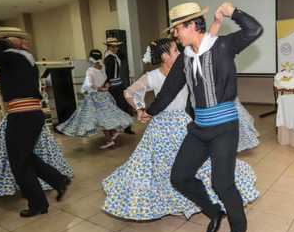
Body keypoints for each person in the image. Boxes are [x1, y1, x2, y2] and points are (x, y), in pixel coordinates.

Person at [142, 1, 262, 232]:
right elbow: (167, 92)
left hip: (225, 127)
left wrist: (233, 13)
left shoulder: (223, 46)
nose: (175, 34)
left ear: (190, 26)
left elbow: (255, 30)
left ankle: (238, 226)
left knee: (222, 182)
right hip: (199, 128)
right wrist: (149, 112)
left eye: (177, 29)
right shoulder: (184, 59)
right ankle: (214, 211)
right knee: (179, 177)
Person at [103, 38, 259, 222]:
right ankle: (173, 202)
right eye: (175, 51)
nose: (179, 54)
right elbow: (129, 92)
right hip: (160, 128)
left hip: (183, 124)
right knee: (161, 169)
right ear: (163, 56)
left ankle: (211, 201)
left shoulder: (187, 70)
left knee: (202, 166)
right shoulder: (153, 76)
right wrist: (139, 108)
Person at [0, 26, 70, 217]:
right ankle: (58, 179)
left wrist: (7, 42)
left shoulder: (13, 57)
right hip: (30, 113)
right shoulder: (25, 60)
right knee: (23, 156)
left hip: (22, 114)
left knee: (19, 163)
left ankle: (38, 204)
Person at [0, 116, 73, 197]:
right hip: (25, 117)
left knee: (21, 157)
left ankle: (40, 194)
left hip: (19, 118)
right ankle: (56, 182)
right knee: (24, 156)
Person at [56, 49, 133, 149]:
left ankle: (110, 140)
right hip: (106, 95)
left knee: (102, 120)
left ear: (91, 58)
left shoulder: (90, 70)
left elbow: (89, 85)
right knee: (109, 115)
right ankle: (114, 132)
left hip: (96, 97)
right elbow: (107, 80)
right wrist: (105, 87)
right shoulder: (103, 67)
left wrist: (98, 88)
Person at [104, 37, 135, 135]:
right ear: (109, 47)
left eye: (116, 46)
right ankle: (120, 128)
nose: (116, 48)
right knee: (120, 106)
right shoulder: (109, 58)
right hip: (115, 86)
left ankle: (125, 127)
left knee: (123, 105)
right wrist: (107, 84)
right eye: (113, 47)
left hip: (118, 85)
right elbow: (108, 73)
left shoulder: (113, 56)